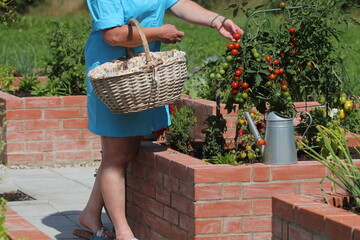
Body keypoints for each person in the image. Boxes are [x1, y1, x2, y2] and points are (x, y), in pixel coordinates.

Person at [78, 0, 244, 240]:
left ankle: (90, 214)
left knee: (126, 149)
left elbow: (178, 3)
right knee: (115, 155)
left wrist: (217, 20)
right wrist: (159, 33)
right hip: (113, 75)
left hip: (142, 72)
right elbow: (113, 35)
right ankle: (124, 232)